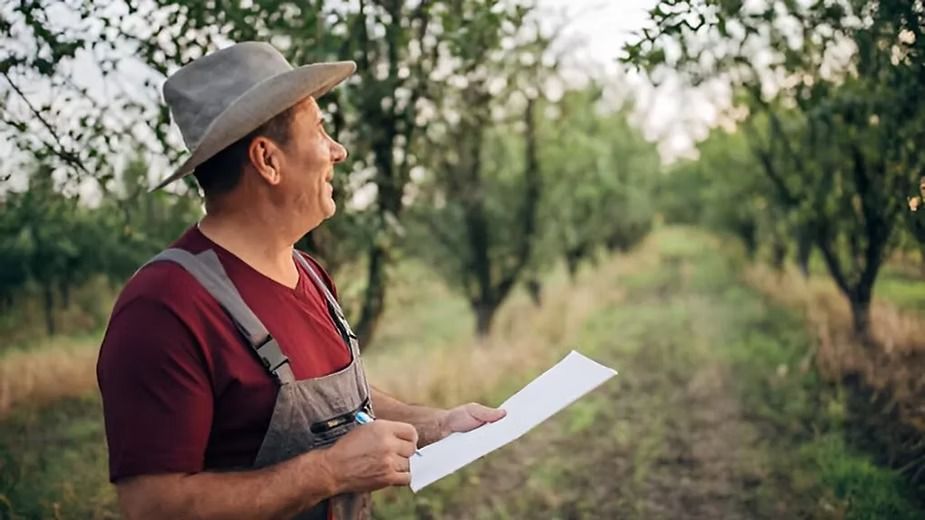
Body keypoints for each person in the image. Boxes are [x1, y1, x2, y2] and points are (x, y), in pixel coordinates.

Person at [96, 41, 506, 520]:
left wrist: (438, 424)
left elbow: (342, 409)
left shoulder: (309, 273)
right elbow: (151, 506)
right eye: (320, 129)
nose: (338, 150)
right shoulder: (164, 307)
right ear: (267, 160)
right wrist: (330, 472)